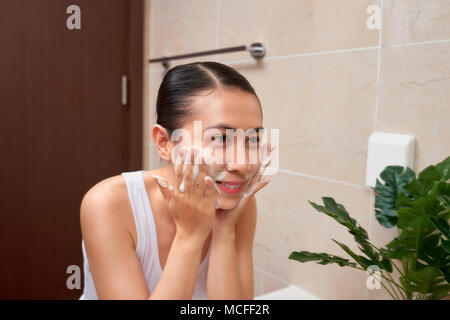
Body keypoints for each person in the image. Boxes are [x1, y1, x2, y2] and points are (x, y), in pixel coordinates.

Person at [79, 61, 273, 299]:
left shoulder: (238, 203)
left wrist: (224, 230)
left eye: (252, 139)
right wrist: (189, 237)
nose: (243, 164)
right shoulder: (109, 204)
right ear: (164, 143)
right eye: (220, 139)